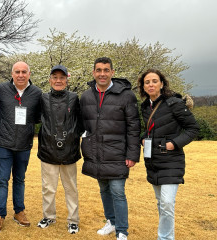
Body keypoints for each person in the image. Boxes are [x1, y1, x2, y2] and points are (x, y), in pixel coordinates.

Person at [80, 57, 140, 240]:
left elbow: (134, 126)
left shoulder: (126, 95)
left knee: (117, 191)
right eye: (98, 70)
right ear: (93, 73)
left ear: (112, 72)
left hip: (118, 153)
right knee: (104, 189)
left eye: (106, 70)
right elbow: (83, 124)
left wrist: (133, 154)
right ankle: (111, 222)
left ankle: (122, 230)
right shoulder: (86, 96)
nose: (102, 74)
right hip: (96, 153)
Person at [138, 69, 199, 240]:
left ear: (162, 84)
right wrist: (142, 138)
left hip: (172, 160)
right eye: (147, 82)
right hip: (153, 161)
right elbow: (148, 130)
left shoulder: (174, 103)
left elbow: (192, 128)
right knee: (161, 203)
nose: (151, 84)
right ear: (143, 86)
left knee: (166, 203)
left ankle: (164, 238)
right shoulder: (144, 107)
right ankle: (166, 235)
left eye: (154, 81)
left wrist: (175, 143)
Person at [0, 61, 42, 233]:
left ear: (29, 73)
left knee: (19, 180)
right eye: (17, 71)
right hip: (3, 144)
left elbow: (38, 118)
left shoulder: (37, 93)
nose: (20, 75)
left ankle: (19, 211)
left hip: (24, 145)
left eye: (24, 72)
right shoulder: (1, 90)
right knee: (2, 180)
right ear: (12, 74)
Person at [37, 65, 83, 234]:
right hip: (48, 150)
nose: (58, 80)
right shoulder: (43, 98)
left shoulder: (73, 98)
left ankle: (73, 220)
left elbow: (80, 122)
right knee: (48, 188)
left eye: (61, 78)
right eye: (55, 77)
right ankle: (48, 216)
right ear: (50, 80)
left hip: (69, 151)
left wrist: (73, 138)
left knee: (71, 188)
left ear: (66, 80)